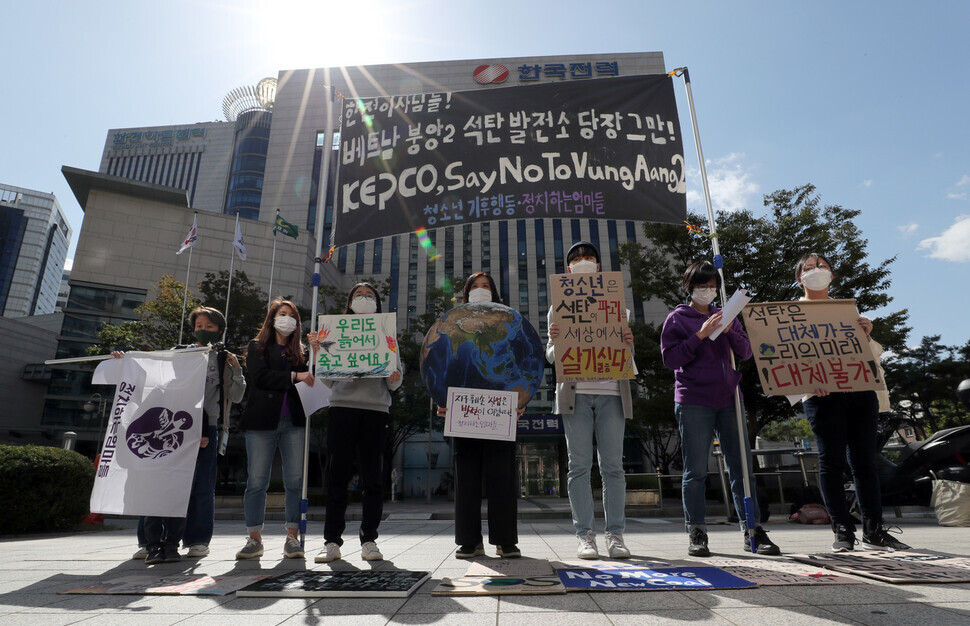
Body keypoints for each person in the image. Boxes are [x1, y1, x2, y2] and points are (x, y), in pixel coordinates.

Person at [660, 261, 780, 557]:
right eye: (702, 285)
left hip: (729, 397)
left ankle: (751, 528)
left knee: (741, 468)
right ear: (689, 287)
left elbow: (746, 352)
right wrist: (699, 335)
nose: (708, 291)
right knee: (696, 470)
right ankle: (697, 530)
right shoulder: (676, 319)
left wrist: (729, 330)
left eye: (712, 285)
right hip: (692, 399)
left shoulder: (726, 314)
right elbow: (670, 359)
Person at [790, 253, 909, 552]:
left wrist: (866, 333)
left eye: (823, 267)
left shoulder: (847, 311)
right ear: (798, 278)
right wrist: (808, 381)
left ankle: (874, 529)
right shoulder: (790, 313)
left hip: (861, 392)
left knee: (865, 463)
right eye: (809, 268)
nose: (817, 271)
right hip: (822, 397)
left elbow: (870, 357)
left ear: (832, 275)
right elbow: (787, 359)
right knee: (831, 461)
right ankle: (842, 530)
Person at [125, 307, 246, 564]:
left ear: (220, 330)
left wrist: (237, 370)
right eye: (199, 325)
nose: (203, 330)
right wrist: (124, 360)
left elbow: (236, 396)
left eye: (209, 327)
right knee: (158, 481)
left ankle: (197, 540)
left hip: (208, 426)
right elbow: (150, 372)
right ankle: (148, 541)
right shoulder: (178, 354)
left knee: (202, 487)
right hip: (170, 424)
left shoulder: (224, 358)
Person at [546, 241, 634, 560]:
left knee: (613, 467)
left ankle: (615, 535)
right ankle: (585, 535)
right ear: (568, 269)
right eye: (577, 258)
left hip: (612, 393)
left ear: (599, 266)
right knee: (578, 466)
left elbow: (627, 355)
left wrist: (628, 343)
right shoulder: (558, 308)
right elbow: (552, 355)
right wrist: (555, 342)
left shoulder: (618, 305)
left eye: (589, 257)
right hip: (576, 394)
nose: (583, 261)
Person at [314, 283, 403, 563]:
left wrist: (393, 377)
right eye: (358, 295)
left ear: (377, 303)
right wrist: (323, 355)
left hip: (376, 410)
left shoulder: (386, 332)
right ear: (349, 302)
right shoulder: (334, 332)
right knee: (337, 476)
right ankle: (331, 541)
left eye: (369, 295)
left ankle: (369, 540)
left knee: (372, 478)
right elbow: (325, 379)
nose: (363, 298)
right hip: (342, 408)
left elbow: (396, 380)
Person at [439, 272, 522, 559]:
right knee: (467, 477)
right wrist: (440, 401)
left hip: (500, 408)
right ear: (465, 293)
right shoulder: (451, 325)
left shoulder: (511, 324)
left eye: (486, 286)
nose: (480, 290)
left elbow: (524, 361)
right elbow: (439, 364)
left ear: (495, 293)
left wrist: (521, 400)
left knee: (502, 475)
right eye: (474, 286)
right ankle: (469, 541)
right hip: (463, 410)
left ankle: (505, 540)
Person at [236, 298, 319, 560]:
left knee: (294, 481)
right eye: (282, 314)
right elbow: (260, 378)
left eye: (292, 315)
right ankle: (254, 539)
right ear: (272, 318)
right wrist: (295, 376)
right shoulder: (257, 347)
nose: (287, 318)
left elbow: (314, 378)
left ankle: (292, 537)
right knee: (257, 481)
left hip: (293, 422)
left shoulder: (301, 353)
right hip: (262, 422)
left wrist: (318, 352)